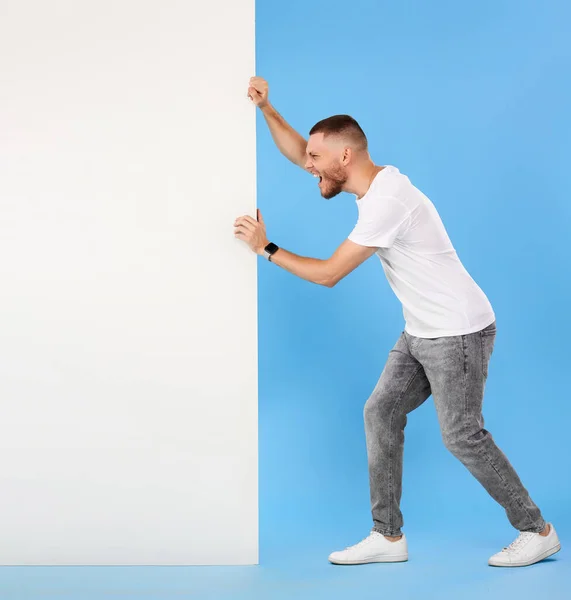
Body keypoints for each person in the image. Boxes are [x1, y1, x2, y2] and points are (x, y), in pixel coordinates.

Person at [234, 76, 561, 568]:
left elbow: (328, 275)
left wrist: (266, 248)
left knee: (461, 434)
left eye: (317, 160)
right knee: (380, 413)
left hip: (459, 331)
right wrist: (267, 108)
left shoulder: (387, 203)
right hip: (422, 330)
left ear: (345, 157)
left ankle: (537, 530)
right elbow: (302, 149)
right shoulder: (369, 180)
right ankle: (387, 537)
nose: (309, 166)